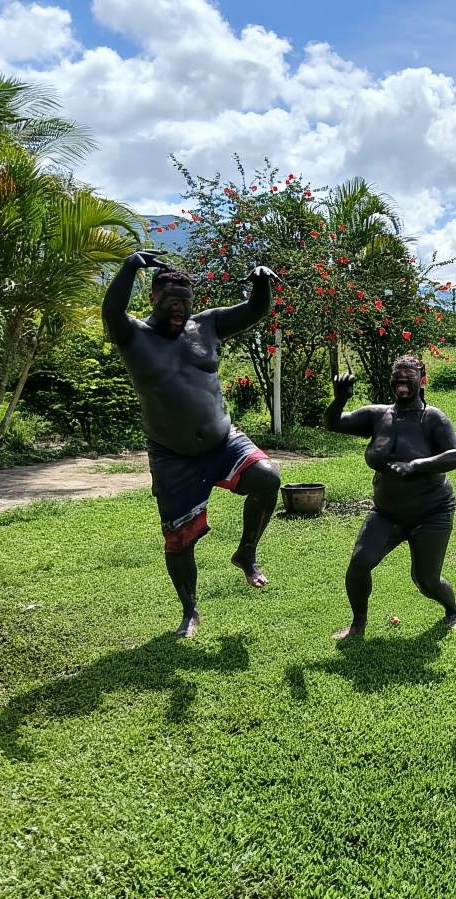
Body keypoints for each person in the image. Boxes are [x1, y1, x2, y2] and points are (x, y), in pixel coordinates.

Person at [102, 250, 282, 639]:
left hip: (223, 441)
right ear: (152, 298)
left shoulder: (208, 325)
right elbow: (112, 310)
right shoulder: (132, 334)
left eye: (186, 301)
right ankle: (190, 611)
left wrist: (261, 280)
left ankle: (246, 552)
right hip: (172, 456)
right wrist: (131, 266)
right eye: (171, 302)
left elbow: (254, 310)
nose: (180, 310)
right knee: (180, 540)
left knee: (267, 478)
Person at [324, 356, 456, 639]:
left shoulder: (433, 418)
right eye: (396, 377)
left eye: (408, 376)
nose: (401, 382)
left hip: (431, 511)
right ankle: (358, 624)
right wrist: (339, 398)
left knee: (426, 580)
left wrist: (414, 466)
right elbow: (333, 424)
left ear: (421, 380)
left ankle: (452, 608)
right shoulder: (378, 416)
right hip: (387, 512)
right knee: (360, 563)